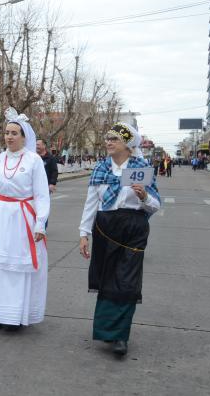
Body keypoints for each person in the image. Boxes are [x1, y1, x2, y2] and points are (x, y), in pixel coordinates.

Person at [79, 122, 161, 357]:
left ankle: (120, 336)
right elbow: (91, 204)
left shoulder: (141, 169)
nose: (108, 142)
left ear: (127, 144)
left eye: (114, 139)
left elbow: (154, 205)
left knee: (127, 281)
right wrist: (84, 233)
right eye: (107, 138)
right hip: (105, 229)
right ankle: (106, 330)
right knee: (107, 279)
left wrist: (144, 196)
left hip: (133, 229)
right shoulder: (101, 169)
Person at [0, 109, 50, 332]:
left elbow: (41, 194)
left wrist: (40, 222)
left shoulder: (34, 160)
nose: (9, 137)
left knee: (18, 268)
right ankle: (0, 314)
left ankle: (16, 316)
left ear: (24, 136)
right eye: (7, 132)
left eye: (14, 133)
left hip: (23, 219)